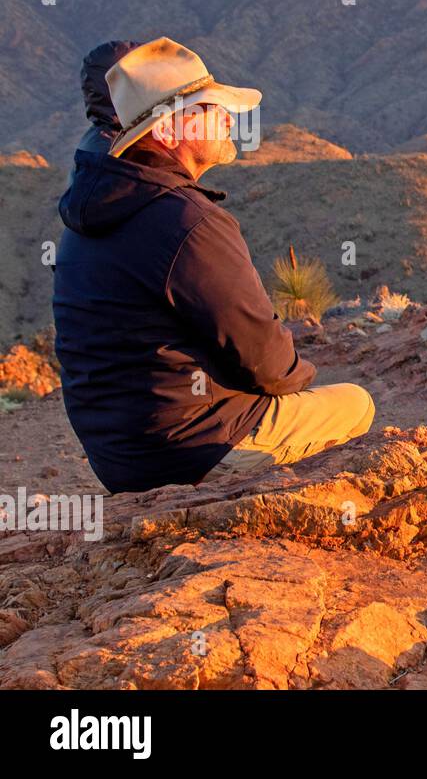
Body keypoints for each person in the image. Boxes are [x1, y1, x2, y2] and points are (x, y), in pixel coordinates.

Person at [52, 37, 374, 493]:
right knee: (356, 404)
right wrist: (301, 384)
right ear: (167, 131)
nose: (227, 119)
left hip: (119, 460)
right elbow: (268, 362)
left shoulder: (89, 212)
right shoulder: (186, 221)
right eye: (208, 109)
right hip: (190, 452)